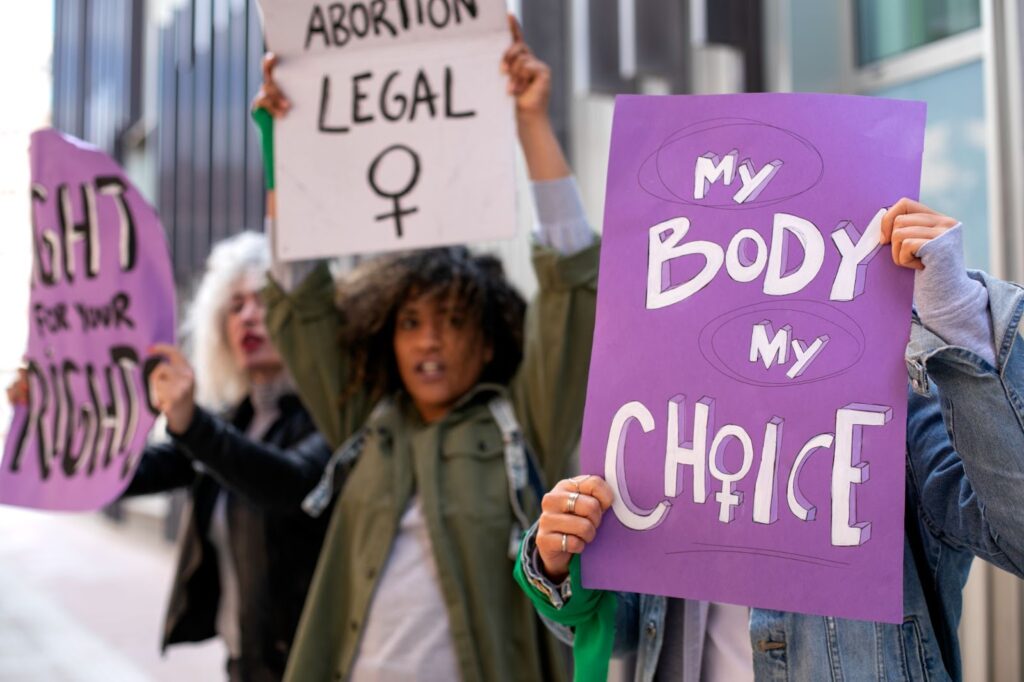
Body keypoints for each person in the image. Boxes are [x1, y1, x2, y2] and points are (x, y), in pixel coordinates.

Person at [517, 199, 1024, 681]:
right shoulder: (666, 426)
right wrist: (558, 557)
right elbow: (624, 627)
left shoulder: (895, 414)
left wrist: (959, 316)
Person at [256, 18, 597, 682]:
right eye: (411, 321)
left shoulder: (523, 424)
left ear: (490, 335)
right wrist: (286, 151)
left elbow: (571, 277)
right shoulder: (366, 422)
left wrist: (531, 125)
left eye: (452, 320)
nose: (431, 338)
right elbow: (298, 299)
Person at [10, 231, 335, 681]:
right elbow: (127, 473)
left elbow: (291, 485)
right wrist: (55, 416)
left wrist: (191, 423)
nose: (248, 317)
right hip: (244, 664)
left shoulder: (331, 418)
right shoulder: (239, 419)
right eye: (235, 305)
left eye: (263, 300)